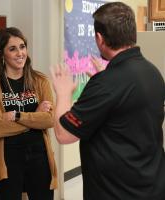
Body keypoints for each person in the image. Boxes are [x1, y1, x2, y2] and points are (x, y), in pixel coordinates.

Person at [50, 2, 165, 200]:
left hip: (117, 192)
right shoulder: (152, 72)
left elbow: (64, 134)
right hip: (151, 186)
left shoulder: (106, 83)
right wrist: (107, 81)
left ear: (100, 38)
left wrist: (63, 93)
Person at [0, 27, 58, 200]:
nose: (19, 53)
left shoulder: (40, 81)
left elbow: (49, 120)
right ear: (1, 54)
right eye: (12, 49)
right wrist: (35, 117)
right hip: (6, 159)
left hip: (39, 156)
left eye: (22, 47)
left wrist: (17, 116)